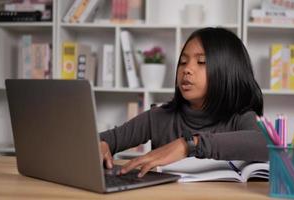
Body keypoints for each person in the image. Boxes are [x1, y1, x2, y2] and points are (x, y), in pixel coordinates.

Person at [100, 27, 268, 178]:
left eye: (201, 62)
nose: (187, 69)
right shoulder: (159, 117)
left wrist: (188, 145)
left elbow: (265, 144)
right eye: (183, 61)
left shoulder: (241, 117)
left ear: (229, 71)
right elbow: (103, 140)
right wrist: (100, 145)